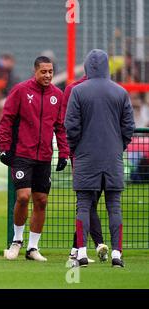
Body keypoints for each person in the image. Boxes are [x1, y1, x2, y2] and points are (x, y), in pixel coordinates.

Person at [65, 49, 135, 268]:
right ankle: (116, 254)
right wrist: (118, 147)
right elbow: (129, 127)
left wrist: (77, 148)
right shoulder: (120, 92)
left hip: (86, 157)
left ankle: (82, 254)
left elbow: (71, 126)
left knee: (83, 205)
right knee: (114, 206)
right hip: (112, 158)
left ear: (87, 66)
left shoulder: (78, 91)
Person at [0, 56, 69, 262]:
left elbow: (60, 127)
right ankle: (16, 242)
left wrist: (64, 153)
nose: (47, 75)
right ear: (35, 71)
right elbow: (7, 120)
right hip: (22, 154)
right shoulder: (20, 90)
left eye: (50, 72)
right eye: (43, 72)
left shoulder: (57, 95)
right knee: (23, 197)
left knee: (42, 200)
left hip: (44, 156)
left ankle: (33, 248)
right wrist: (4, 148)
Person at [62, 76, 109, 264]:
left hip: (98, 155)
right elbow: (68, 122)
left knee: (89, 201)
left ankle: (77, 249)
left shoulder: (107, 87)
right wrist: (72, 153)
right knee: (87, 200)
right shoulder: (74, 88)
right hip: (83, 156)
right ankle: (96, 244)